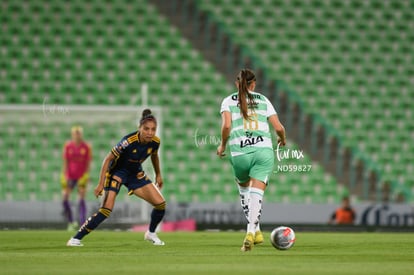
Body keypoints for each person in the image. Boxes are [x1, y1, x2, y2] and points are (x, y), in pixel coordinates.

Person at [67, 109, 166, 246]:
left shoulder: (155, 142)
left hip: (135, 173)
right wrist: (101, 184)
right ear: (140, 128)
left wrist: (158, 174)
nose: (150, 132)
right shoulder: (128, 141)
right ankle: (75, 238)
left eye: (153, 129)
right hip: (117, 172)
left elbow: (154, 156)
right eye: (146, 129)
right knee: (106, 210)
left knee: (160, 204)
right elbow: (107, 159)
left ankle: (151, 233)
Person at [217, 69, 286, 251]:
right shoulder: (263, 100)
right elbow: (278, 127)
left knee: (244, 188)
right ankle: (251, 230)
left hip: (239, 153)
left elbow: (226, 126)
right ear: (253, 84)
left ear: (236, 84)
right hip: (263, 151)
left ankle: (255, 231)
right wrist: (282, 139)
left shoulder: (227, 101)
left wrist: (223, 145)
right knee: (257, 192)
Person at [62, 126, 92, 231]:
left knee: (81, 197)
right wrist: (64, 176)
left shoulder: (86, 147)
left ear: (81, 134)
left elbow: (88, 163)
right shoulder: (68, 146)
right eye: (75, 133)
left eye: (78, 133)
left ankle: (83, 222)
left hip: (81, 177)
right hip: (70, 176)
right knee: (65, 196)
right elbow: (65, 162)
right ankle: (70, 222)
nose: (77, 135)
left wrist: (86, 175)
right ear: (72, 134)